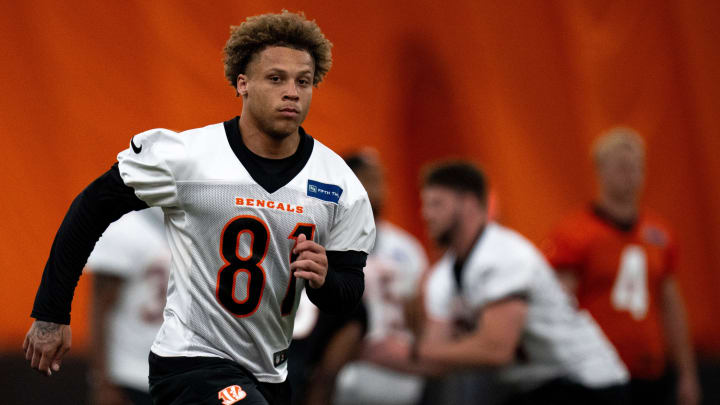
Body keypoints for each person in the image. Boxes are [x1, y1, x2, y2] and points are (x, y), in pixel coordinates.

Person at [23, 10, 375, 405]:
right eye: (276, 78)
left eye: (303, 81)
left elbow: (347, 293)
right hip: (190, 363)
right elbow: (91, 209)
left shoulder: (339, 184)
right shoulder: (188, 157)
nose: (292, 91)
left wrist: (325, 280)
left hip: (270, 372)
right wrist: (51, 313)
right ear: (242, 83)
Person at [369, 161, 630, 405]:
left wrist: (411, 352)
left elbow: (495, 349)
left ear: (469, 204)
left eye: (436, 204)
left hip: (586, 383)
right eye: (425, 205)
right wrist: (372, 352)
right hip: (536, 384)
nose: (425, 214)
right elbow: (438, 356)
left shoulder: (505, 255)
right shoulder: (443, 276)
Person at [543, 127, 700, 405]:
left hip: (650, 370)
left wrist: (687, 373)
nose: (630, 176)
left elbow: (671, 306)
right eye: (621, 168)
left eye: (636, 167)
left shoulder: (659, 232)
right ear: (600, 171)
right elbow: (558, 304)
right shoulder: (575, 233)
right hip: (595, 371)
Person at [331, 150, 429, 405]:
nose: (379, 188)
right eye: (369, 178)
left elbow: (417, 317)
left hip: (400, 375)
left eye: (382, 179)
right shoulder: (325, 240)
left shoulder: (406, 248)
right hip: (343, 373)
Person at [86, 207, 170, 405]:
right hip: (131, 373)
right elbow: (100, 306)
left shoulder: (197, 220)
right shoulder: (125, 226)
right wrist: (102, 381)